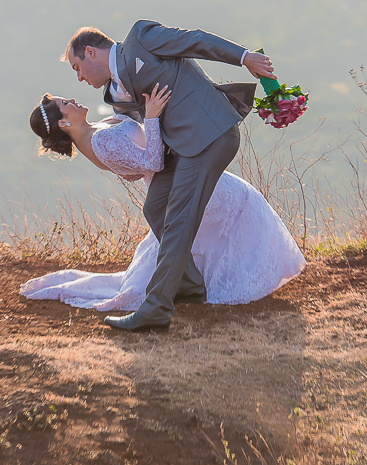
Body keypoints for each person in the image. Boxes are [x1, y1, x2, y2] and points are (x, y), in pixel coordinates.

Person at [56, 20, 280, 331]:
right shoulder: (114, 94)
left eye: (78, 67)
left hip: (209, 135)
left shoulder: (141, 39)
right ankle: (189, 284)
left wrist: (244, 57)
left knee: (179, 219)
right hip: (180, 149)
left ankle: (156, 308)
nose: (79, 77)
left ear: (91, 52)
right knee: (155, 208)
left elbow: (195, 41)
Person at [24, 91, 305, 312]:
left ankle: (205, 279)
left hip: (177, 179)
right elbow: (153, 161)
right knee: (240, 205)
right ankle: (226, 283)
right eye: (65, 103)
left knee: (233, 210)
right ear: (64, 122)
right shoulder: (99, 142)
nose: (72, 100)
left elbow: (134, 168)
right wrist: (152, 116)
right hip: (174, 184)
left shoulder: (93, 136)